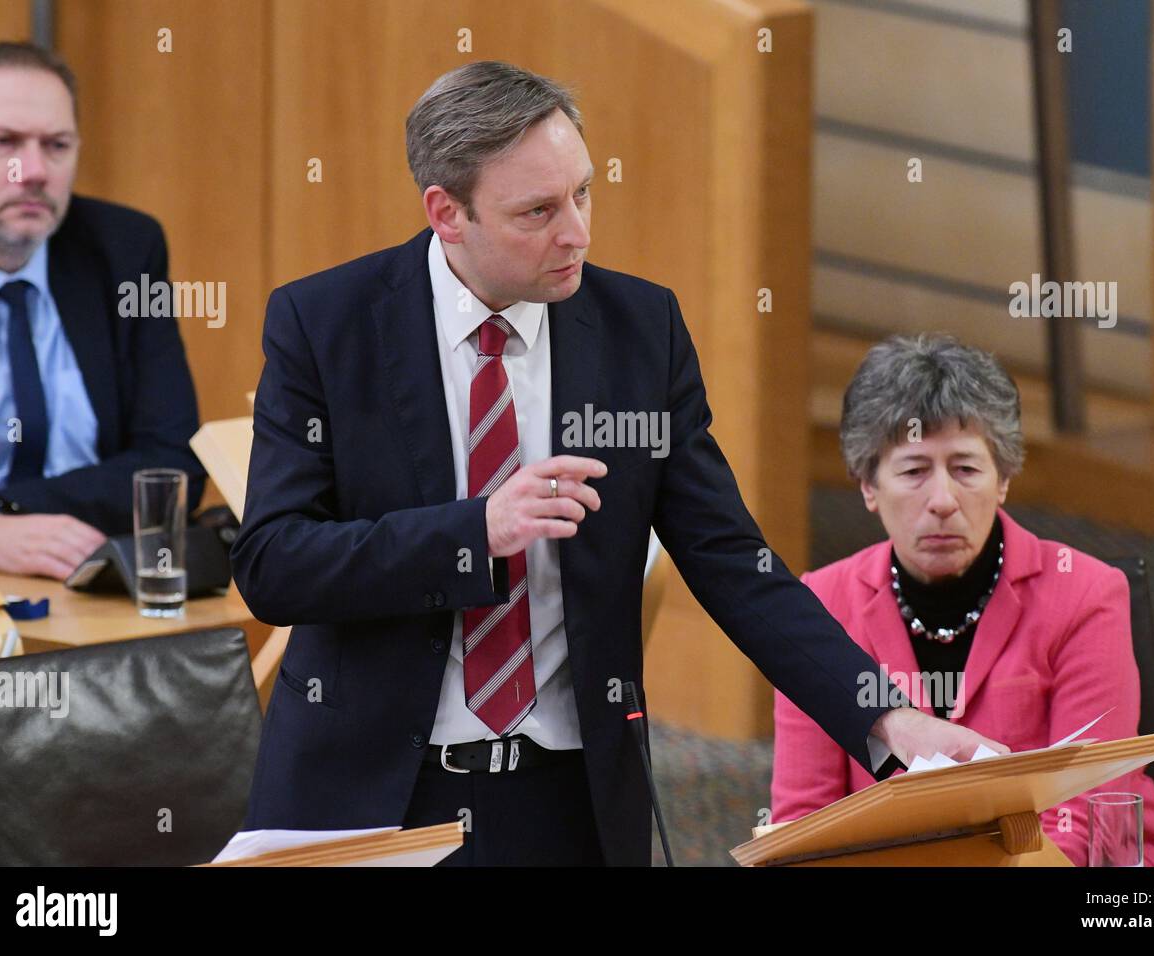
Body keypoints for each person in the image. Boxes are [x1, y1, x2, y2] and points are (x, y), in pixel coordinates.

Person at [231, 61, 1005, 866]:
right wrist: (475, 531)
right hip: (374, 795)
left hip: (570, 796)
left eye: (583, 193)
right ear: (447, 213)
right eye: (538, 211)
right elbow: (273, 564)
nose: (577, 233)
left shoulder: (641, 331)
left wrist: (886, 718)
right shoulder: (325, 324)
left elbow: (732, 562)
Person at [771, 333, 1154, 866]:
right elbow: (802, 825)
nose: (943, 501)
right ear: (868, 486)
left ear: (1004, 481)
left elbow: (1087, 821)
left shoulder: (1085, 593)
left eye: (967, 469)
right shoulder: (821, 606)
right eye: (914, 470)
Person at [0, 42, 204, 581]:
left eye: (57, 145)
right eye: (4, 142)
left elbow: (171, 465)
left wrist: (5, 511)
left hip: (79, 578)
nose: (33, 170)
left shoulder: (124, 249)